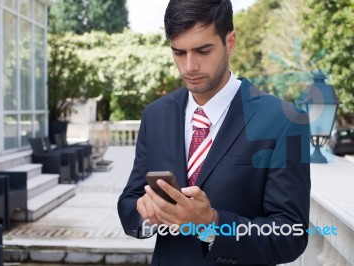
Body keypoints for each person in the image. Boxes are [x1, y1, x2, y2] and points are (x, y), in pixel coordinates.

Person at [118, 0, 311, 265]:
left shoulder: (283, 120)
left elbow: (291, 235)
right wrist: (145, 214)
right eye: (179, 52)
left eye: (203, 50)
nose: (189, 67)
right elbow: (129, 201)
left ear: (230, 42)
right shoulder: (155, 115)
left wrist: (211, 224)